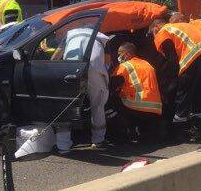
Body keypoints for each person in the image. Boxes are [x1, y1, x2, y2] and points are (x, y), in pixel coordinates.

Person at [150, 17, 201, 142]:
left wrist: (172, 80)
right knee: (200, 91)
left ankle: (179, 131)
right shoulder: (181, 26)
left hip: (192, 57)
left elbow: (171, 60)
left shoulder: (163, 31)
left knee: (183, 93)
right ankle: (197, 130)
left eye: (152, 32)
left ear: (156, 27)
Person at [52, 24, 111, 152]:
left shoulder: (70, 34)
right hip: (94, 69)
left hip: (72, 67)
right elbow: (107, 63)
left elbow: (56, 56)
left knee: (67, 105)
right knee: (98, 104)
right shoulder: (101, 37)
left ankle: (63, 145)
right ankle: (98, 140)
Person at [108, 42, 163, 142]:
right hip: (155, 109)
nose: (118, 56)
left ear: (127, 54)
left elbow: (112, 85)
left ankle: (124, 132)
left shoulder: (124, 66)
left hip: (135, 107)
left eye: (120, 53)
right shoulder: (148, 64)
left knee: (109, 101)